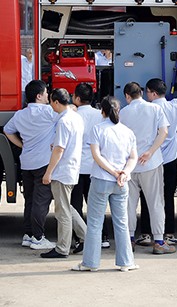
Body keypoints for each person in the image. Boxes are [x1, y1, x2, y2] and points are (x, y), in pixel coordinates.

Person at [72, 96, 139, 272]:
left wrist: (112, 172)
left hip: (101, 180)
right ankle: (126, 262)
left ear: (102, 110)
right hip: (122, 183)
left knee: (95, 223)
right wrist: (124, 172)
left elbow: (96, 155)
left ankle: (90, 263)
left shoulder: (98, 129)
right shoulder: (127, 131)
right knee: (122, 222)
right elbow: (133, 157)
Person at [120, 82, 175, 254]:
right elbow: (164, 132)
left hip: (130, 165)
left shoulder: (123, 112)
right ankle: (159, 241)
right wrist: (150, 152)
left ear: (127, 96)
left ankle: (129, 240)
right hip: (151, 164)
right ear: (142, 93)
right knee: (156, 203)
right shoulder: (155, 109)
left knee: (129, 204)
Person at [137, 64, 177, 246]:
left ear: (151, 93)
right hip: (171, 159)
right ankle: (168, 233)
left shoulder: (148, 110)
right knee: (167, 197)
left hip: (151, 160)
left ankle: (145, 233)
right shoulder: (174, 106)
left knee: (147, 196)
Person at [4, 79, 57, 250]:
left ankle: (28, 234)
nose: (48, 95)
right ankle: (38, 237)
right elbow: (66, 115)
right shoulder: (49, 112)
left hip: (26, 163)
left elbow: (7, 130)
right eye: (46, 92)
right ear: (39, 96)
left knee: (30, 200)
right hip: (43, 163)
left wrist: (22, 145)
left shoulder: (20, 114)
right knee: (42, 202)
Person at [41, 88, 87, 258]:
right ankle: (86, 238)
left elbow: (59, 150)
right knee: (68, 207)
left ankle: (62, 248)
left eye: (50, 101)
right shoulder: (76, 117)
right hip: (73, 167)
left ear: (56, 102)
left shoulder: (63, 121)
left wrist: (48, 172)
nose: (49, 104)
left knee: (62, 212)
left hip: (62, 170)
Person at [70, 83, 109, 248]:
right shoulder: (100, 115)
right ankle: (103, 237)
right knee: (96, 204)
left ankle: (80, 238)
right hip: (95, 166)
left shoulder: (72, 115)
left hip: (76, 167)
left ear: (77, 98)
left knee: (76, 204)